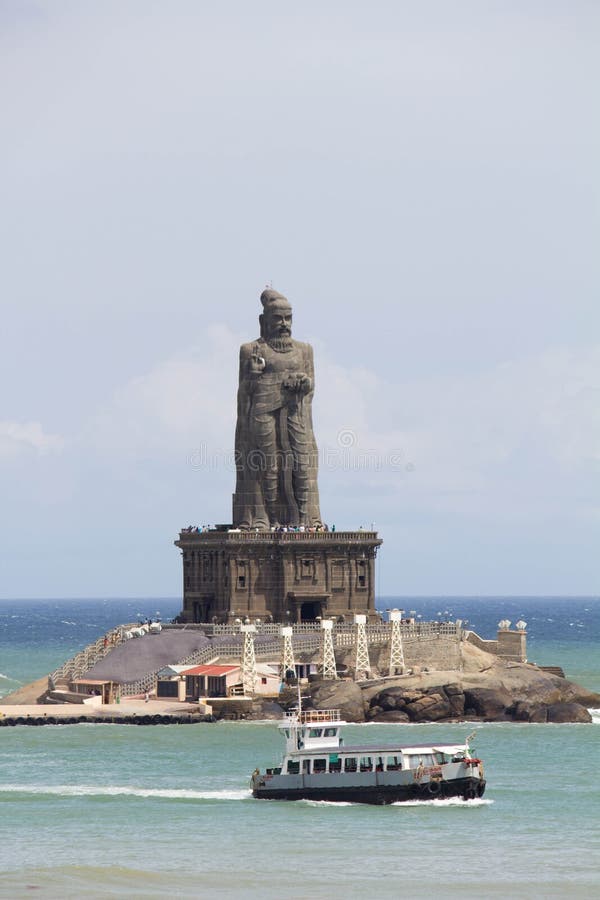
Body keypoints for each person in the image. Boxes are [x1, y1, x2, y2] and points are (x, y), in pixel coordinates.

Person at [233, 289, 322, 530]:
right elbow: (243, 393)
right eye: (278, 318)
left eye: (288, 318)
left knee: (303, 465)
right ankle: (266, 519)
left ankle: (304, 520)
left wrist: (303, 383)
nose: (284, 324)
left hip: (296, 412)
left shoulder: (304, 350)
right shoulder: (251, 350)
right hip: (262, 411)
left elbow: (311, 386)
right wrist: (252, 376)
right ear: (264, 321)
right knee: (266, 467)